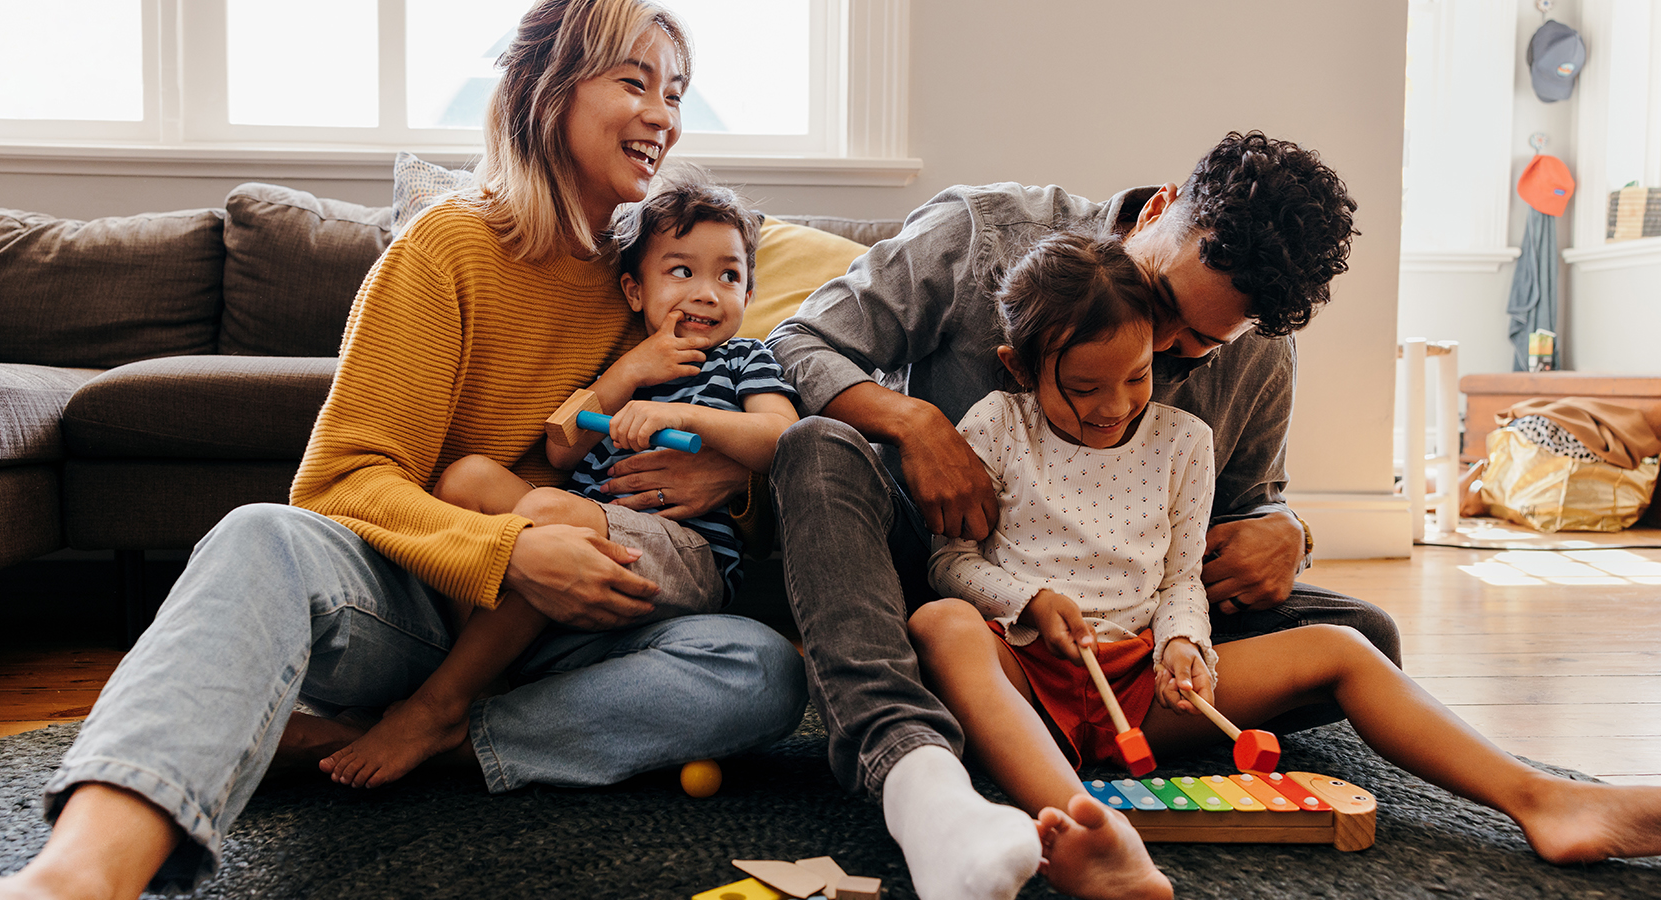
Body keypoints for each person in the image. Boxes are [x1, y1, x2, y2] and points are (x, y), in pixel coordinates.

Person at [0, 2, 806, 898]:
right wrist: (509, 550)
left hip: (583, 633)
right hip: (424, 607)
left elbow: (733, 432)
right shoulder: (447, 249)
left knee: (759, 669)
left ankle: (424, 736)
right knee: (257, 536)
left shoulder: (652, 283)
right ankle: (72, 876)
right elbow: (344, 480)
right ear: (549, 87)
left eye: (676, 93)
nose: (661, 115)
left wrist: (730, 472)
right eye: (635, 82)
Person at [909, 232, 1661, 899]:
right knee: (940, 623)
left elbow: (1178, 582)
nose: (1113, 407)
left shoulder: (1183, 443)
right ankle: (1085, 827)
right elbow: (951, 561)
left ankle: (1543, 800)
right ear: (1021, 365)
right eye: (1082, 389)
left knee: (1342, 644)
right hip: (1026, 675)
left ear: (1156, 351)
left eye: (1135, 378)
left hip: (1140, 684)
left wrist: (1183, 644)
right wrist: (1030, 599)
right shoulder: (997, 426)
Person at [764, 132, 1396, 900]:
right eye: (1162, 304)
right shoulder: (979, 234)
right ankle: (911, 761)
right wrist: (913, 422)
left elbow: (1247, 504)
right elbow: (798, 340)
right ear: (1161, 209)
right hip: (928, 574)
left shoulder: (1261, 353)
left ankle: (1063, 723)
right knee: (816, 449)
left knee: (1369, 639)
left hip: (1122, 623)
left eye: (1194, 348)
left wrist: (1286, 534)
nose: (1156, 354)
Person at [320, 178, 799, 790]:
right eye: (681, 271)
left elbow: (782, 438)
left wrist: (686, 416)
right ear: (635, 289)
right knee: (468, 478)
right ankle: (486, 675)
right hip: (583, 534)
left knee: (550, 509)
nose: (706, 293)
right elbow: (561, 444)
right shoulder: (627, 362)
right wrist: (626, 374)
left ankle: (442, 705)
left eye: (729, 277)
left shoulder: (745, 359)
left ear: (749, 293)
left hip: (682, 553)